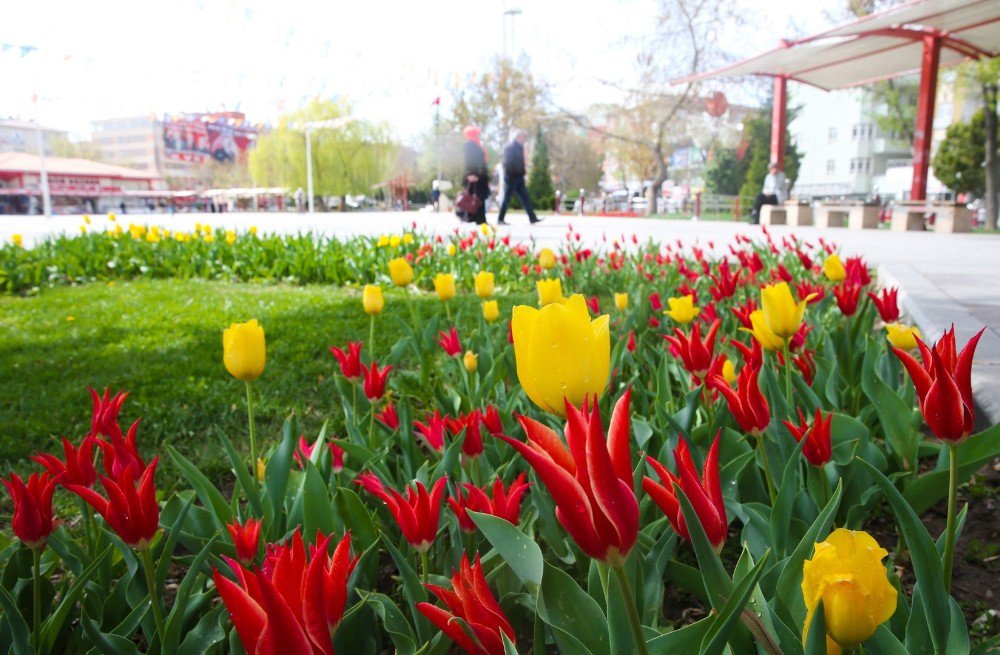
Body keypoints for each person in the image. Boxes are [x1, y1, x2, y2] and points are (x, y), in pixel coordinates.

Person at [497, 130, 541, 225]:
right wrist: (510, 174)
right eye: (523, 137)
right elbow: (507, 163)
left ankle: (532, 218)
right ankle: (500, 219)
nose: (524, 139)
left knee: (525, 198)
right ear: (518, 137)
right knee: (507, 198)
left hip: (519, 177)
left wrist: (523, 173)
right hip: (511, 177)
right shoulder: (510, 147)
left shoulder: (520, 147)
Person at [462, 125, 489, 225]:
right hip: (475, 174)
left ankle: (476, 218)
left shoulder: (477, 144)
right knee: (475, 197)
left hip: (480, 175)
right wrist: (470, 173)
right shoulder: (469, 144)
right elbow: (468, 160)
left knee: (478, 197)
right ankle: (477, 219)